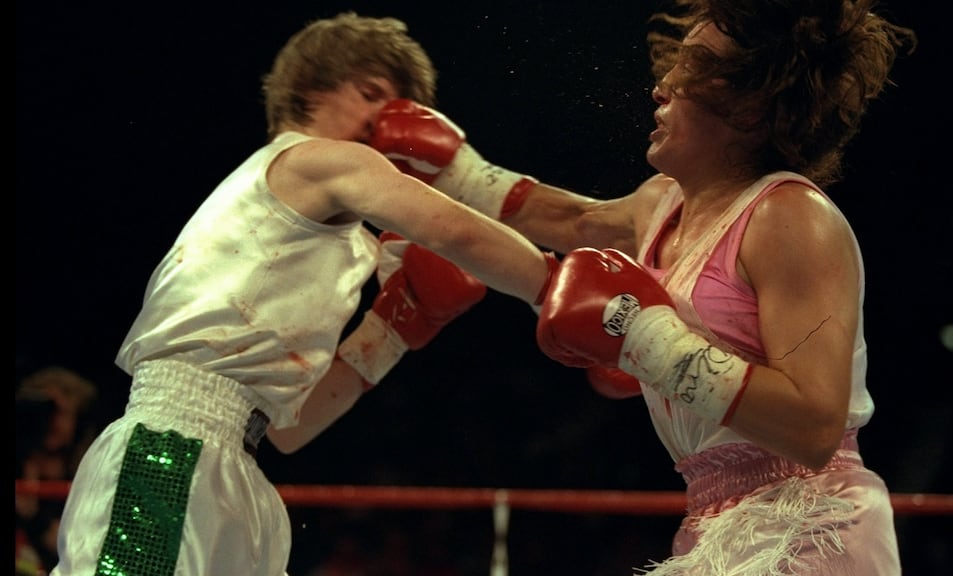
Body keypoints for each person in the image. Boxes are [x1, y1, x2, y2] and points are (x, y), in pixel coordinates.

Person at [367, 0, 917, 573]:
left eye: (694, 66)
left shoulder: (791, 216)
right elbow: (569, 221)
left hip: (811, 521)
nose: (663, 85)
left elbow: (815, 427)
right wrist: (456, 173)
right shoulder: (662, 204)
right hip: (713, 517)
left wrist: (646, 338)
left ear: (751, 103)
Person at [51, 12, 556, 576]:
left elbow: (291, 429)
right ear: (312, 89)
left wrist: (390, 334)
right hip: (169, 449)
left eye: (398, 108)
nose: (384, 121)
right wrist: (556, 288)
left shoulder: (323, 234)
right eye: (371, 95)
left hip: (237, 471)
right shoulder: (313, 159)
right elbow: (453, 230)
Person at [16, 366, 99, 574]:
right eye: (44, 410)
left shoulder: (89, 474)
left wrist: (36, 519)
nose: (50, 420)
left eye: (59, 412)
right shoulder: (20, 465)